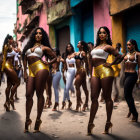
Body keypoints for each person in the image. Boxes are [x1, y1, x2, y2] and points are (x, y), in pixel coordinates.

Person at [87, 26, 123, 135]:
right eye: (100, 33)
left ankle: (108, 122)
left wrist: (111, 64)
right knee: (94, 98)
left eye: (104, 32)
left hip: (106, 71)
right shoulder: (95, 47)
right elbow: (91, 61)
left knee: (107, 97)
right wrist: (90, 73)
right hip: (95, 72)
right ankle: (90, 123)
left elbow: (119, 56)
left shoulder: (108, 47)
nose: (101, 34)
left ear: (107, 35)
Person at [22, 27, 56, 133]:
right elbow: (24, 58)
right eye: (36, 33)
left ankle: (38, 120)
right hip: (31, 70)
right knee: (28, 95)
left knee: (39, 94)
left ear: (43, 36)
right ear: (33, 35)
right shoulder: (28, 47)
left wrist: (49, 63)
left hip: (41, 68)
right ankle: (27, 119)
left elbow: (55, 57)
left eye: (40, 34)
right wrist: (24, 71)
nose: (38, 35)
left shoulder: (44, 48)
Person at [1, 34, 20, 111]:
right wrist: (3, 68)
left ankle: (6, 102)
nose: (13, 40)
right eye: (12, 39)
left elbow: (15, 55)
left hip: (10, 66)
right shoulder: (7, 46)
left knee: (9, 85)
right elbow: (4, 57)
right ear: (9, 40)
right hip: (7, 66)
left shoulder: (10, 46)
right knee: (17, 83)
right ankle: (11, 99)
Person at [123, 39, 140, 122]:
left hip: (132, 75)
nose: (128, 46)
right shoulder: (127, 54)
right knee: (128, 94)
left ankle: (135, 114)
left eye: (129, 45)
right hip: (126, 75)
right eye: (127, 45)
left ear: (134, 45)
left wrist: (139, 79)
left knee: (126, 95)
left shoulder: (137, 54)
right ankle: (131, 110)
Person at [74, 41, 89, 111]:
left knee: (77, 86)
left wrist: (88, 73)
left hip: (82, 71)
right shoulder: (76, 53)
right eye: (78, 43)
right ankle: (86, 103)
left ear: (82, 46)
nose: (78, 44)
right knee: (84, 87)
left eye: (79, 43)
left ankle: (78, 103)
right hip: (77, 71)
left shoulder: (83, 53)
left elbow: (86, 62)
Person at [62, 43, 76, 109]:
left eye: (70, 46)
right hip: (68, 71)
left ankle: (64, 101)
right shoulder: (66, 55)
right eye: (67, 47)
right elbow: (65, 64)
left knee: (67, 88)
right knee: (66, 88)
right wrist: (63, 72)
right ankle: (68, 102)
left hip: (73, 70)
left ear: (71, 47)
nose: (68, 48)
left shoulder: (75, 53)